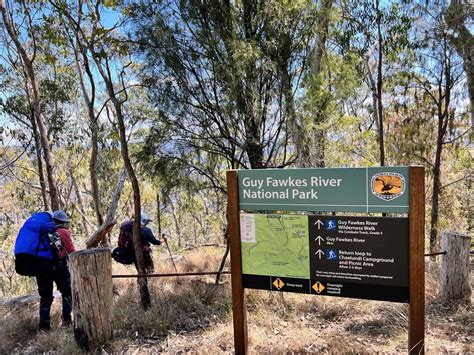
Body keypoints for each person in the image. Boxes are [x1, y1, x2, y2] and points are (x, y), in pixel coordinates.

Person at [36, 210, 76, 330]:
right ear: (63, 222)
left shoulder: (41, 233)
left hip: (41, 268)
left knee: (45, 297)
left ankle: (44, 326)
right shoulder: (62, 232)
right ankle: (67, 320)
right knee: (67, 292)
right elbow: (71, 251)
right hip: (59, 267)